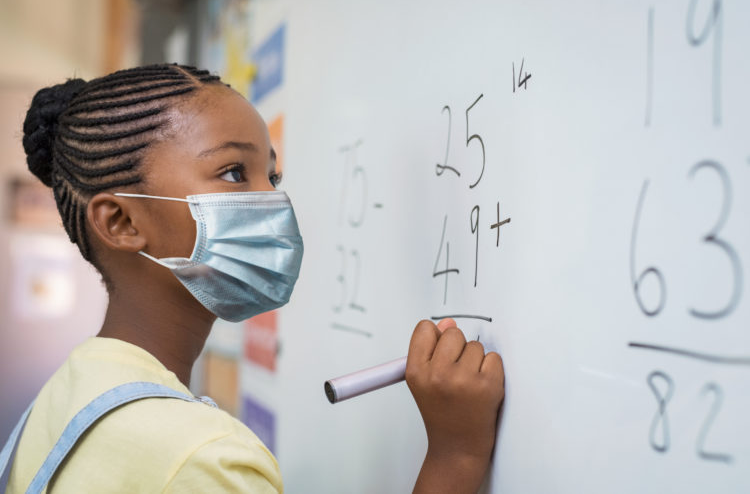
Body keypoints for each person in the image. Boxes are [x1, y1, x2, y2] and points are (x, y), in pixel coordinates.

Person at [0, 64, 505, 493]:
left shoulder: (67, 395)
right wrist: (456, 455)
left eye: (273, 177)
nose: (272, 202)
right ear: (122, 223)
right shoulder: (200, 458)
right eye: (235, 173)